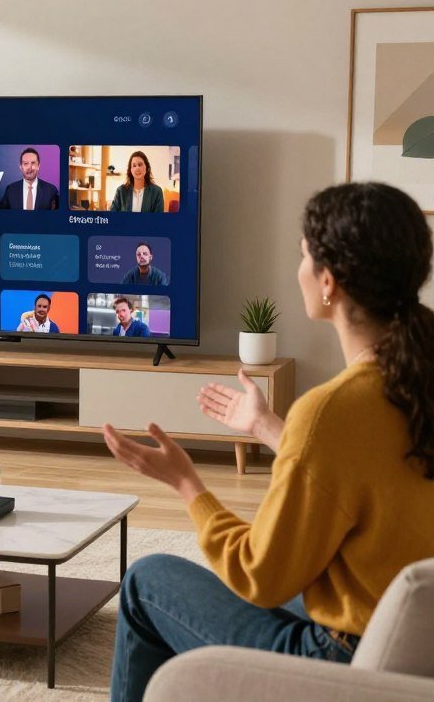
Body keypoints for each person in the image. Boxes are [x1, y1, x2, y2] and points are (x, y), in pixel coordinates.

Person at [102, 182, 434, 702]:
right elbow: (371, 472)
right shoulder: (416, 377)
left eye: (303, 255)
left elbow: (261, 576)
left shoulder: (332, 410)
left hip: (339, 655)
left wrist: (188, 483)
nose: (298, 268)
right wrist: (267, 427)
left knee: (147, 581)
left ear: (330, 282)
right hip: (410, 633)